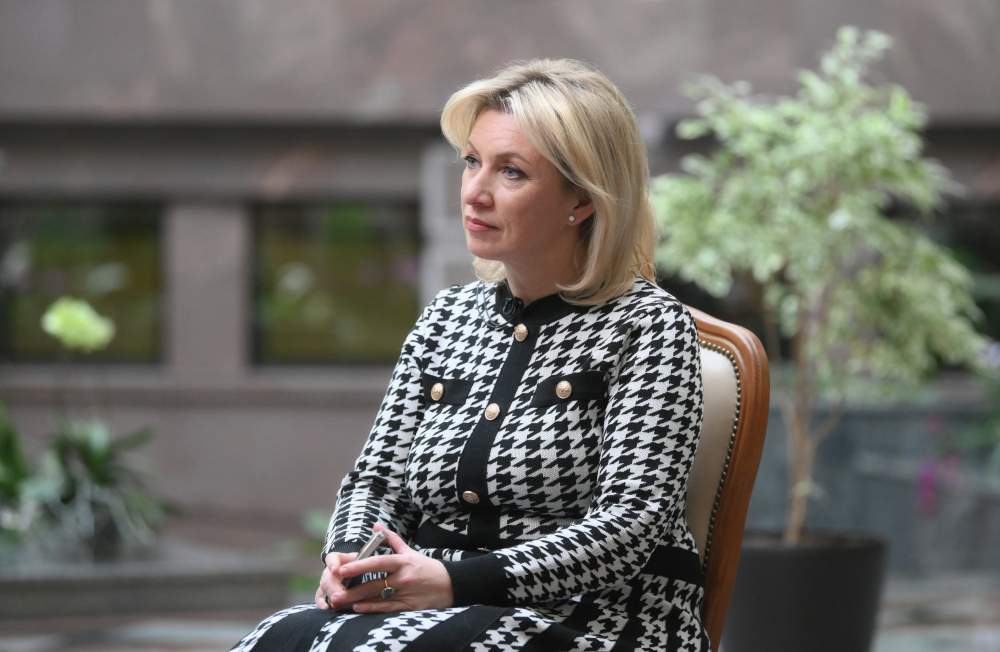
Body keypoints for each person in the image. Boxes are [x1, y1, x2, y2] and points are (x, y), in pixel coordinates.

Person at [231, 59, 708, 652]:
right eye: (472, 161)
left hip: (596, 621)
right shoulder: (446, 317)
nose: (475, 192)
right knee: (279, 637)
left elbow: (630, 527)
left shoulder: (649, 325)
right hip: (434, 610)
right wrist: (352, 560)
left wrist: (455, 582)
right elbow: (378, 482)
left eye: (511, 172)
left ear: (582, 200)